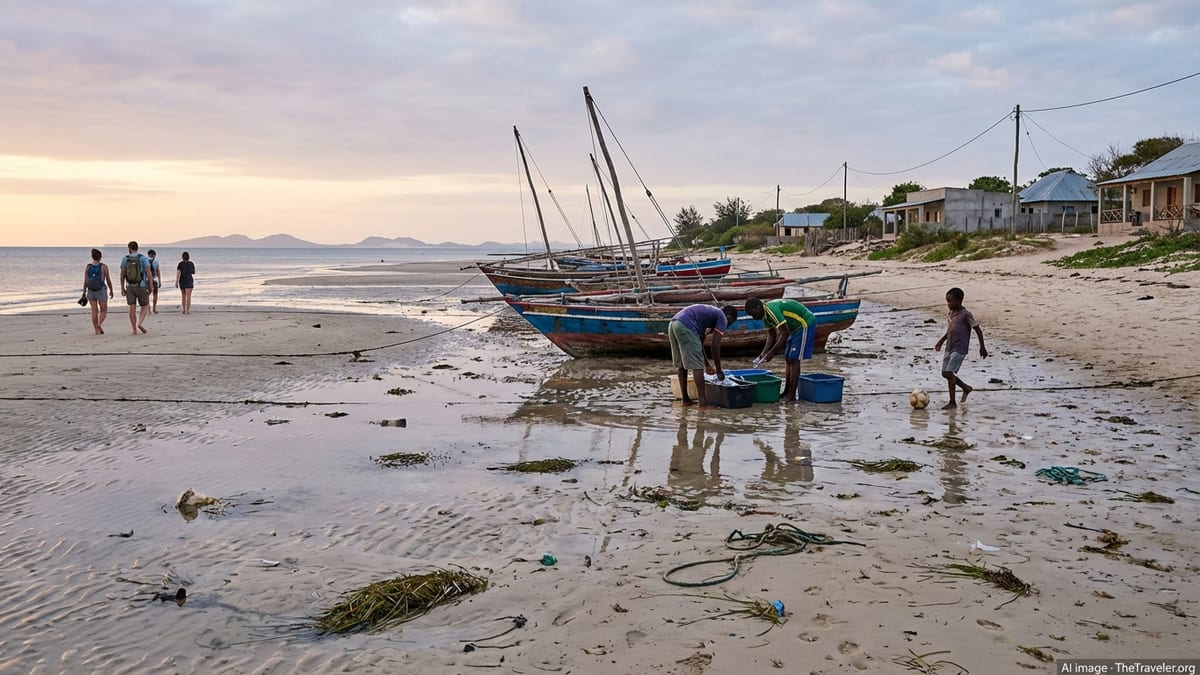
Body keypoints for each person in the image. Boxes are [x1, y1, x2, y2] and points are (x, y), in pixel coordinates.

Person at [745, 297, 816, 402]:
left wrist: (772, 352)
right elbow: (772, 334)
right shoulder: (765, 316)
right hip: (793, 329)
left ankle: (792, 394)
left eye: (753, 314)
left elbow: (784, 332)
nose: (754, 317)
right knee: (788, 357)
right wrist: (764, 352)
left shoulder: (771, 310)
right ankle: (786, 391)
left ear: (759, 307)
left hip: (804, 324)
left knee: (794, 359)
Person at [669, 304, 738, 406]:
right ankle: (702, 403)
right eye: (730, 323)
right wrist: (719, 371)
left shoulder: (709, 316)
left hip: (673, 324)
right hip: (685, 325)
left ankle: (685, 400)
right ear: (728, 317)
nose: (727, 326)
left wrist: (707, 364)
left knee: (682, 365)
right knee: (697, 366)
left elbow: (699, 342)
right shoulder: (722, 318)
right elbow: (715, 346)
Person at [934, 287, 987, 409]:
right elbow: (950, 330)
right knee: (945, 373)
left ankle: (952, 402)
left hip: (960, 348)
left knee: (949, 372)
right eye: (947, 301)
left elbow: (977, 330)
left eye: (950, 301)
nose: (948, 304)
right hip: (949, 347)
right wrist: (941, 341)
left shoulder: (965, 315)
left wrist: (982, 347)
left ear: (959, 300)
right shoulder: (951, 314)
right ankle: (966, 388)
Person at [119, 241, 153, 335]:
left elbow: (122, 275)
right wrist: (151, 285)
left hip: (130, 286)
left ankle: (134, 329)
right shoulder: (143, 258)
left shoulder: (125, 259)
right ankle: (140, 323)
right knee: (145, 306)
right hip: (141, 286)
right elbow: (148, 273)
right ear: (137, 248)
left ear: (129, 249)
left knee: (132, 308)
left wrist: (122, 288)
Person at [82, 248, 114, 335]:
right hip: (101, 290)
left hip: (91, 291)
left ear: (92, 257)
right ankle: (99, 324)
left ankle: (96, 330)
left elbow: (85, 281)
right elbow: (108, 280)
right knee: (103, 310)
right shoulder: (104, 267)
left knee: (94, 311)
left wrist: (84, 292)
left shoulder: (88, 267)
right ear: (100, 257)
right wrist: (111, 290)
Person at [146, 249, 162, 313]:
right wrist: (160, 281)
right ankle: (154, 308)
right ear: (154, 255)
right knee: (155, 294)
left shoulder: (145, 261)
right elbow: (158, 272)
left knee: (147, 294)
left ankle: (148, 308)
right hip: (154, 279)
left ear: (148, 254)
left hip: (147, 280)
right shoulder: (156, 261)